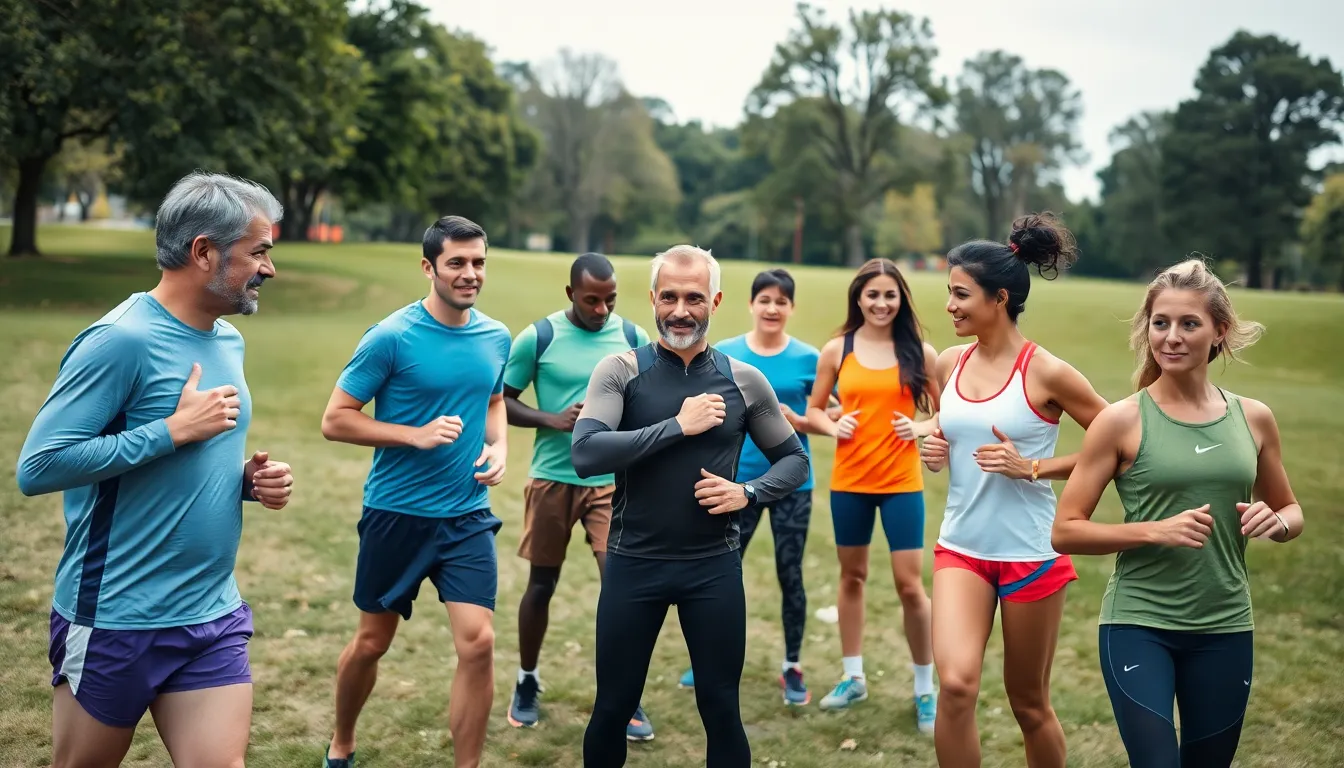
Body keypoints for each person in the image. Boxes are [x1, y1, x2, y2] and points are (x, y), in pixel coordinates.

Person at [16, 171, 295, 767]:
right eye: (259, 251)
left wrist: (243, 480)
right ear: (203, 252)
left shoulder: (226, 339)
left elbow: (190, 455)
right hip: (117, 615)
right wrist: (170, 431)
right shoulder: (121, 340)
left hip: (209, 613)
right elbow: (38, 466)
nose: (269, 268)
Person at [1051, 258, 1304, 768]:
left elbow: (1291, 510)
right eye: (1160, 323)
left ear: (1219, 332)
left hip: (1226, 625)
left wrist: (1276, 524)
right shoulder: (1119, 421)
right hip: (1138, 623)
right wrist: (1152, 531)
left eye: (1189, 323)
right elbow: (1065, 530)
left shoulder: (1253, 418)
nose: (1171, 337)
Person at [573, 245, 810, 768]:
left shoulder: (745, 379)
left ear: (716, 301)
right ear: (653, 298)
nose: (681, 310)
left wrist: (748, 493)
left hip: (712, 568)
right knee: (612, 707)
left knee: (721, 708)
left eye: (695, 298)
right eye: (671, 296)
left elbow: (794, 461)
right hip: (634, 562)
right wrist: (678, 425)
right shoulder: (620, 371)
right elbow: (587, 452)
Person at [318, 216, 511, 768]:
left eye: (478, 262)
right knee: (372, 643)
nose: (470, 273)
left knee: (478, 642)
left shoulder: (495, 336)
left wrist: (498, 448)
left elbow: (494, 401)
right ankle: (343, 739)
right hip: (396, 514)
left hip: (466, 516)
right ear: (429, 267)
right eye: (457, 263)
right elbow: (336, 420)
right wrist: (414, 435)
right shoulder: (391, 337)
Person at [920, 213, 1109, 768]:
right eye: (949, 293)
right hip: (962, 548)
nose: (950, 306)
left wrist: (1033, 467)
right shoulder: (948, 362)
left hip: (1030, 554)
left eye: (961, 294)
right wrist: (935, 447)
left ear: (999, 298)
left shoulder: (1048, 372)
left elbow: (1120, 446)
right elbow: (947, 433)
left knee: (1028, 704)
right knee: (954, 687)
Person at [500, 252, 655, 739]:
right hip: (552, 479)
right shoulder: (538, 337)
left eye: (610, 299)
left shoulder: (633, 338)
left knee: (622, 587)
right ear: (571, 294)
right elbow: (502, 400)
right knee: (541, 584)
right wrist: (552, 419)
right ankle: (526, 681)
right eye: (592, 300)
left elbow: (652, 400)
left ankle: (625, 695)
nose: (602, 310)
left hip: (612, 484)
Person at [800, 258, 940, 730]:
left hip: (901, 484)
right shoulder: (838, 349)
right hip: (850, 483)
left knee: (909, 584)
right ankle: (853, 676)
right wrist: (831, 423)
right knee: (852, 578)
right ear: (858, 297)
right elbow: (815, 410)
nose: (881, 303)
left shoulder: (920, 351)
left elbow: (947, 415)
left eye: (890, 295)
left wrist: (920, 426)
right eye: (872, 294)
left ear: (901, 299)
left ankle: (925, 688)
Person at [678, 268, 829, 706]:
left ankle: (792, 665)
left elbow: (826, 413)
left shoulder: (809, 359)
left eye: (781, 301)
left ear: (791, 308)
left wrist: (800, 421)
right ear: (750, 304)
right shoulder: (724, 354)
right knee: (720, 576)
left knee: (790, 574)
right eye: (765, 299)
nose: (772, 308)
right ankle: (707, 659)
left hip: (790, 489)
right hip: (734, 484)